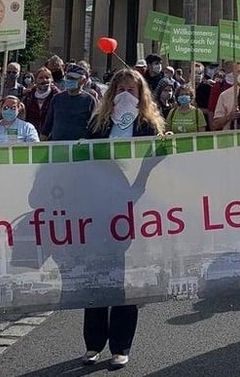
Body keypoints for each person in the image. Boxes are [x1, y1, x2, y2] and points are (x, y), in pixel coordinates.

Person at [83, 68, 165, 369]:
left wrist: (163, 147)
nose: (126, 95)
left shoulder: (148, 125)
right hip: (100, 206)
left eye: (132, 90)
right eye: (121, 89)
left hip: (133, 206)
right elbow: (82, 157)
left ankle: (120, 345)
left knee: (126, 278)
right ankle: (93, 343)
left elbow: (157, 164)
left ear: (141, 95)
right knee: (96, 275)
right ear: (112, 92)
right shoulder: (98, 123)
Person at [40, 64, 97, 141]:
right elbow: (48, 124)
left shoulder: (89, 100)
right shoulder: (57, 98)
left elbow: (94, 126)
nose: (70, 80)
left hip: (79, 147)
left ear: (84, 81)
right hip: (57, 146)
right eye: (68, 77)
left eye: (74, 78)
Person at [23, 67, 59, 132]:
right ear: (36, 80)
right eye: (41, 78)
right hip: (31, 134)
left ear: (51, 80)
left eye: (47, 78)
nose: (44, 80)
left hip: (51, 136)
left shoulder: (57, 96)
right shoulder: (29, 96)